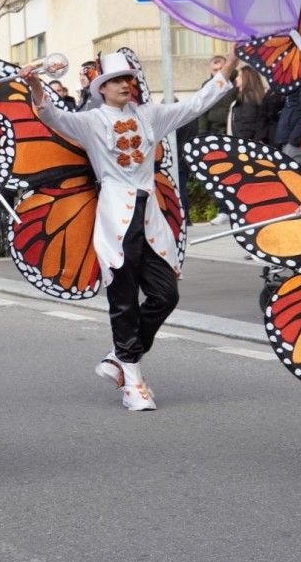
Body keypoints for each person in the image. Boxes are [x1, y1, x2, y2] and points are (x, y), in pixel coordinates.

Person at [32, 49, 239, 410]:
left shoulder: (151, 115)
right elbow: (50, 114)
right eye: (115, 81)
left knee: (166, 295)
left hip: (151, 217)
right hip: (115, 217)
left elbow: (197, 104)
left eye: (127, 79)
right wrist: (35, 84)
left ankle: (119, 356)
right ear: (102, 88)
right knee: (123, 299)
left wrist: (232, 62)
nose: (124, 85)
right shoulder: (91, 120)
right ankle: (133, 378)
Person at [230, 66, 272, 143]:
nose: (236, 79)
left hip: (246, 142)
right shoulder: (250, 96)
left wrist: (241, 142)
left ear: (246, 78)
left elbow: (248, 125)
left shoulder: (248, 98)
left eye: (239, 76)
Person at [196, 55, 235, 135]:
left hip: (232, 130)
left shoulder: (237, 82)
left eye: (221, 69)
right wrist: (202, 134)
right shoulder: (207, 85)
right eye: (215, 70)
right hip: (213, 130)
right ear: (211, 71)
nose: (219, 73)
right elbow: (203, 111)